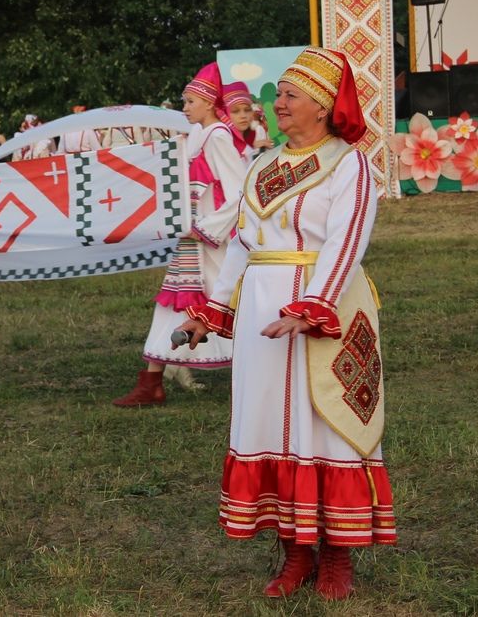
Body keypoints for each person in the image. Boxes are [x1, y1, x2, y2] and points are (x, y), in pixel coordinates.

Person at [175, 48, 396, 600]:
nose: (278, 105)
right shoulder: (263, 165)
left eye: (290, 96)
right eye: (279, 96)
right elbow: (244, 243)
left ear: (322, 106)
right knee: (269, 425)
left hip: (328, 312)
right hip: (261, 314)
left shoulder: (349, 165)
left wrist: (312, 306)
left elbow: (347, 241)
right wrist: (215, 309)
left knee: (326, 426)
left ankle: (338, 558)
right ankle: (296, 554)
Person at [113, 63, 246, 405]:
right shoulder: (199, 136)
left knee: (231, 303)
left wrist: (208, 228)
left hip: (212, 242)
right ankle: (151, 381)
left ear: (208, 102)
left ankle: (260, 375)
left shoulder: (217, 137)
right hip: (195, 241)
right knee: (178, 303)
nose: (184, 108)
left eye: (189, 102)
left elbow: (240, 191)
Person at [221, 82, 259, 160]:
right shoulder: (219, 141)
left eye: (247, 110)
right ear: (225, 114)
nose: (243, 116)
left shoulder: (252, 140)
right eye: (235, 111)